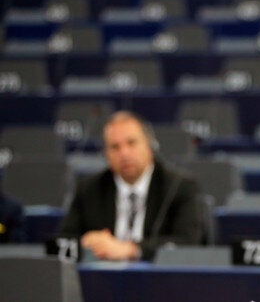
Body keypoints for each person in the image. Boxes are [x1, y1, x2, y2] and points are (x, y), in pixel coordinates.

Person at [56, 111, 205, 261]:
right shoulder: (89, 189)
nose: (124, 153)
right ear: (106, 154)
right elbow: (59, 244)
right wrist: (84, 242)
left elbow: (189, 244)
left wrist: (131, 249)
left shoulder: (179, 186)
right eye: (115, 147)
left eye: (131, 143)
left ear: (150, 145)